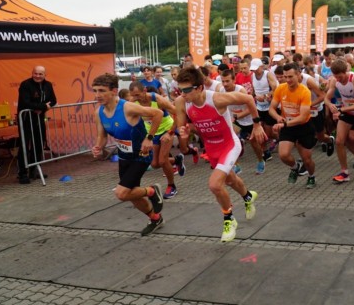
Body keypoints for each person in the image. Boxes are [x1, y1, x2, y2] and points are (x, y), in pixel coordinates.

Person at [175, 67, 265, 242]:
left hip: (229, 145)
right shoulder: (181, 102)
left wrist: (256, 125)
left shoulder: (216, 99)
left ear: (200, 88)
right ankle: (248, 196)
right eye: (180, 90)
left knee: (215, 185)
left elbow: (248, 98)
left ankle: (229, 219)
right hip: (211, 147)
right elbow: (181, 123)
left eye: (187, 90)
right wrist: (183, 131)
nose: (183, 94)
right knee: (229, 179)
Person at [91, 73, 165, 236]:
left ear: (114, 91)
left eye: (102, 91)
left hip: (141, 155)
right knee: (132, 195)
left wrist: (149, 138)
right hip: (124, 157)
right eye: (95, 91)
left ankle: (152, 191)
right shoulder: (99, 112)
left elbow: (157, 114)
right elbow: (102, 136)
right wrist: (98, 147)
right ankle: (155, 218)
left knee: (121, 193)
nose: (97, 95)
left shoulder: (127, 107)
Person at [128, 81, 185, 199]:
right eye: (133, 95)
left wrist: (170, 133)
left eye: (137, 95)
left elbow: (178, 114)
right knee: (154, 164)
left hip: (166, 129)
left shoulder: (157, 99)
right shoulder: (132, 102)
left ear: (144, 90)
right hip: (152, 133)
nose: (135, 98)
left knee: (163, 161)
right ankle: (176, 160)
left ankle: (171, 186)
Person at [268, 63, 318, 189]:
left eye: (291, 76)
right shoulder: (281, 88)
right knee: (283, 155)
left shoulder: (304, 91)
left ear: (298, 75)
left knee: (307, 159)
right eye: (285, 77)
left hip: (304, 127)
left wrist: (284, 123)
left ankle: (311, 176)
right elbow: (271, 109)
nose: (288, 80)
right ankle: (295, 167)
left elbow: (303, 116)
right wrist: (278, 117)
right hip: (287, 125)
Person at [17, 66, 57, 184]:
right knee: (25, 145)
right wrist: (43, 107)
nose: (37, 76)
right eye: (35, 73)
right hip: (25, 119)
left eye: (40, 74)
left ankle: (34, 170)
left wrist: (41, 109)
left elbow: (53, 100)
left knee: (39, 144)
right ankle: (22, 174)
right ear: (32, 73)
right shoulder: (25, 84)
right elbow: (26, 102)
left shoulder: (48, 85)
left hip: (39, 118)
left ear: (45, 74)